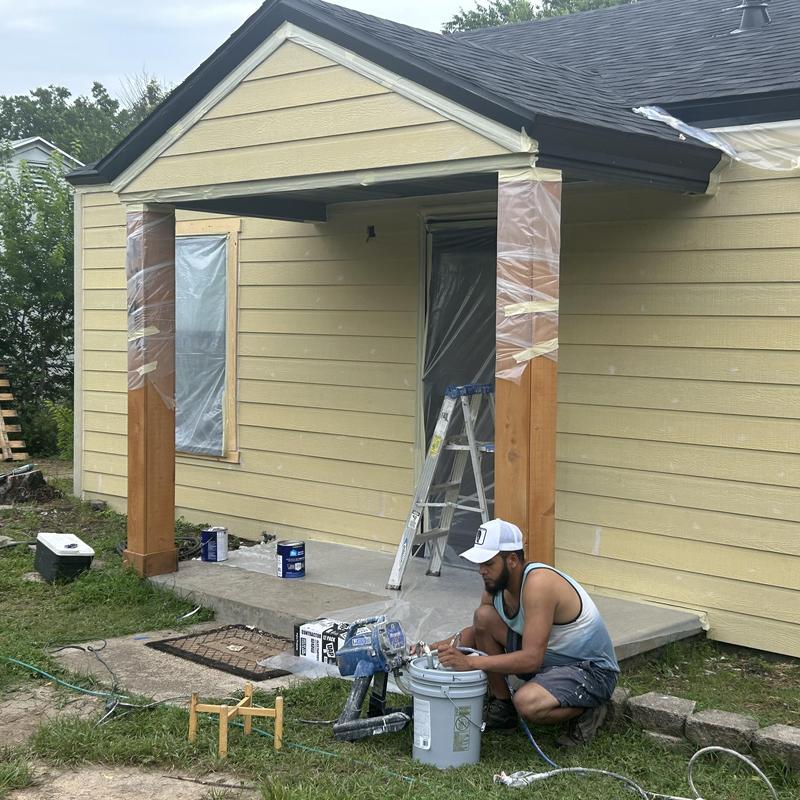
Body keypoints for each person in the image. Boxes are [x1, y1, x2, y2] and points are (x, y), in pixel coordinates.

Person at [428, 518, 619, 746]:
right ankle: (503, 707)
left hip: (590, 670)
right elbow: (473, 633)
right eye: (480, 564)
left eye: (488, 563)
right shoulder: (497, 586)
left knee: (528, 703)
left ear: (511, 560)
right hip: (551, 660)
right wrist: (427, 649)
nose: (481, 571)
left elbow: (531, 660)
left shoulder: (539, 584)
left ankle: (589, 709)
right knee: (483, 617)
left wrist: (470, 663)